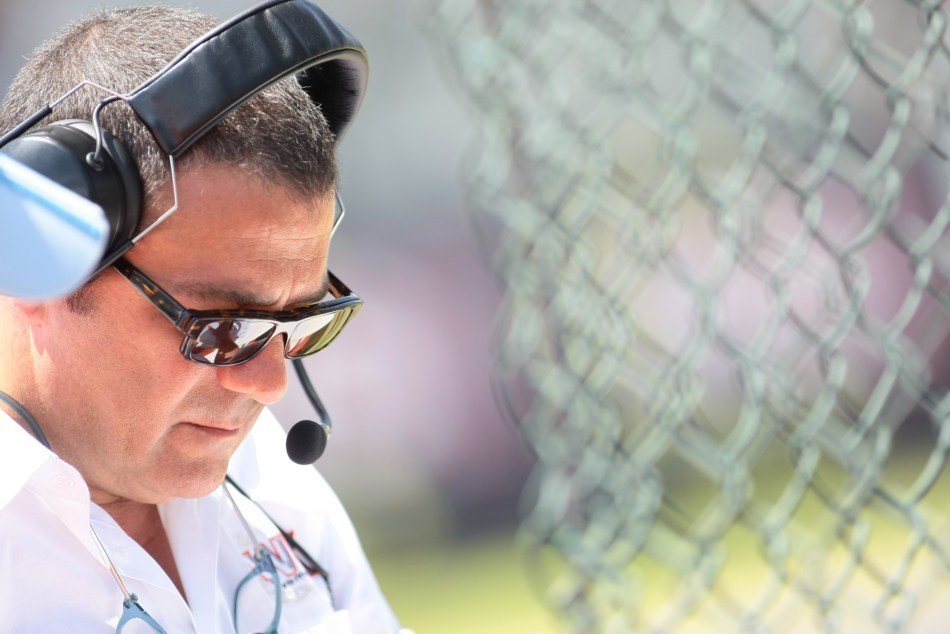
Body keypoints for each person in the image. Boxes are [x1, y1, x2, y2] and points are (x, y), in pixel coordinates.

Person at [0, 4, 406, 633]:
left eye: (301, 324)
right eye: (220, 329)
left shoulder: (266, 475)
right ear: (35, 252)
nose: (269, 387)